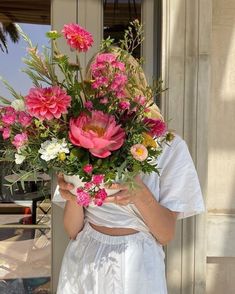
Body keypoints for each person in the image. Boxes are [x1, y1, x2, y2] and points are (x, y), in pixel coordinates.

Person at [55, 49, 205, 294]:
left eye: (113, 81)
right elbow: (73, 230)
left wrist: (138, 193)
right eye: (97, 83)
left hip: (138, 266)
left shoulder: (169, 145)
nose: (105, 92)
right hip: (84, 260)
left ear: (135, 84)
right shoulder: (80, 140)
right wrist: (73, 196)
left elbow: (166, 234)